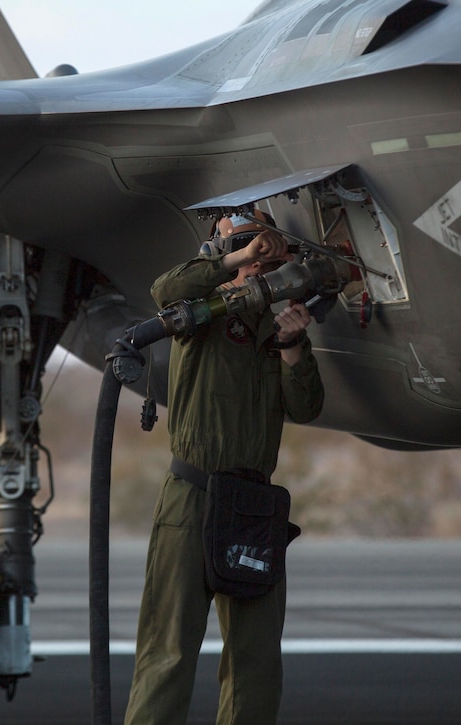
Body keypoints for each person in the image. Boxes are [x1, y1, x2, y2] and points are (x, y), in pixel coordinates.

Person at [124, 210, 324, 725]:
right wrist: (233, 257)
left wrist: (293, 346)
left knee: (255, 663)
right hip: (192, 496)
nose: (259, 257)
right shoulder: (200, 313)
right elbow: (165, 289)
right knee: (168, 653)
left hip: (253, 507)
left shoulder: (278, 326)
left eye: (264, 246)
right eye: (245, 247)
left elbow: (306, 408)